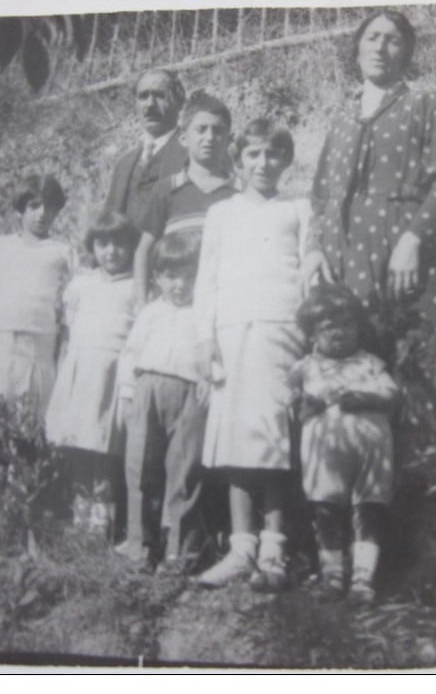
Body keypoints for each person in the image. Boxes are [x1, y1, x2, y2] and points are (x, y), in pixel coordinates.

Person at [304, 9, 436, 417]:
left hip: (404, 258)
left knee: (422, 366)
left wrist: (412, 241)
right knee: (356, 369)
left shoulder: (423, 104)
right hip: (346, 259)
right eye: (372, 37)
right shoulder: (341, 117)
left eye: (393, 39)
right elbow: (320, 195)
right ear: (357, 47)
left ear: (406, 52)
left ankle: (430, 475)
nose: (381, 46)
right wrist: (315, 249)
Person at [193, 119, 310, 591]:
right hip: (232, 331)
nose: (264, 164)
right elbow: (208, 279)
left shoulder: (299, 208)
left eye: (273, 154)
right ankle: (241, 547)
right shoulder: (222, 212)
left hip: (282, 329)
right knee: (238, 440)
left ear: (286, 160)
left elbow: (308, 274)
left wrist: (309, 335)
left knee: (276, 440)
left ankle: (275, 549)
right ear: (238, 162)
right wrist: (205, 338)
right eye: (253, 155)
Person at [290, 283, 399, 604]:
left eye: (347, 324)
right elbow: (289, 401)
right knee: (325, 510)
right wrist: (306, 402)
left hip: (371, 453)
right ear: (312, 334)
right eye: (328, 327)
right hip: (325, 456)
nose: (339, 332)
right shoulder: (306, 367)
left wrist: (367, 397)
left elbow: (392, 394)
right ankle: (333, 575)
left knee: (369, 510)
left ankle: (364, 578)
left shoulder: (370, 362)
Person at [0, 174, 75, 435]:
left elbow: (85, 289)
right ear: (20, 209)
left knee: (28, 426)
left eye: (49, 206)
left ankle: (24, 474)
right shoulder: (1, 246)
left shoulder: (62, 251)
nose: (42, 213)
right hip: (0, 343)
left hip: (39, 347)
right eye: (33, 205)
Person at [117, 233, 208, 573]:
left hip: (189, 392)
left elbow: (213, 352)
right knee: (140, 467)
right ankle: (141, 547)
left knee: (184, 469)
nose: (181, 285)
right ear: (156, 278)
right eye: (171, 276)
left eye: (189, 275)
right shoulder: (151, 313)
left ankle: (177, 551)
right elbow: (130, 353)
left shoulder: (203, 313)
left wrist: (209, 381)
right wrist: (128, 393)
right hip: (147, 389)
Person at [44, 213, 138, 538]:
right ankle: (79, 519)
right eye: (103, 243)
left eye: (119, 243)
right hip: (80, 371)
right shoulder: (81, 284)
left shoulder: (137, 287)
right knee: (79, 449)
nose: (111, 251)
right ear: (93, 246)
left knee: (105, 449)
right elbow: (68, 332)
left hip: (112, 374)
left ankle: (102, 525)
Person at [132, 92, 237, 307]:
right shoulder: (167, 189)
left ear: (229, 139)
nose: (209, 138)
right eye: (201, 129)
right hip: (178, 303)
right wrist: (142, 303)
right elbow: (144, 250)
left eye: (218, 131)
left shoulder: (240, 192)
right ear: (183, 138)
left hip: (224, 301)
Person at [102, 69, 189, 227]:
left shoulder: (192, 156)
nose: (150, 104)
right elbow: (106, 223)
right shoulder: (124, 165)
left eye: (160, 95)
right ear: (135, 104)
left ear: (179, 102)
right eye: (143, 97)